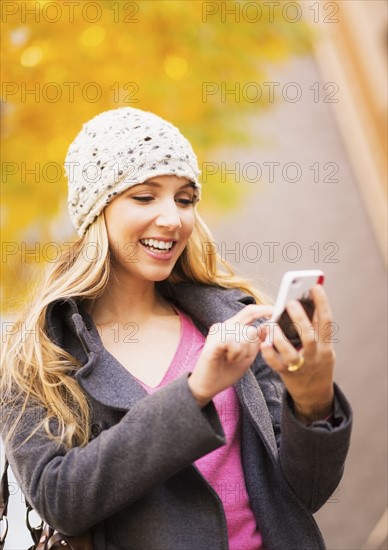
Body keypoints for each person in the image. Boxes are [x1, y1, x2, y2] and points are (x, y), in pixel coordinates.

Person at [1, 107, 352, 550]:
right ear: (97, 212)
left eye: (184, 199)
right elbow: (60, 499)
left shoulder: (234, 320)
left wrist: (312, 398)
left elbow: (302, 496)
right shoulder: (38, 355)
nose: (173, 219)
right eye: (145, 197)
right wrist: (195, 391)